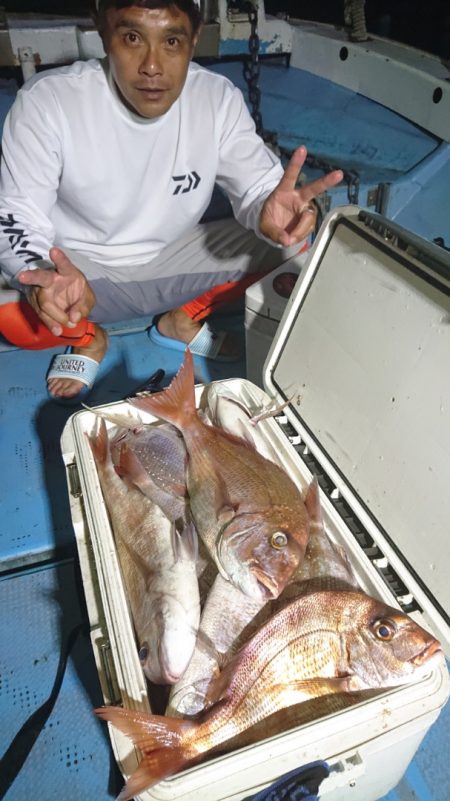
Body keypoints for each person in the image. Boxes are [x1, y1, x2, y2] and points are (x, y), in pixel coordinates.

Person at [0, 0, 342, 399]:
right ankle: (88, 338)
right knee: (14, 301)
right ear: (103, 34)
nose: (152, 66)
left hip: (171, 261)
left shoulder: (216, 98)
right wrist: (45, 275)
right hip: (80, 274)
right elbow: (16, 214)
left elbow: (259, 188)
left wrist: (274, 209)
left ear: (194, 40)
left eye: (172, 41)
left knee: (297, 243)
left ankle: (181, 321)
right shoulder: (48, 100)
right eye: (132, 38)